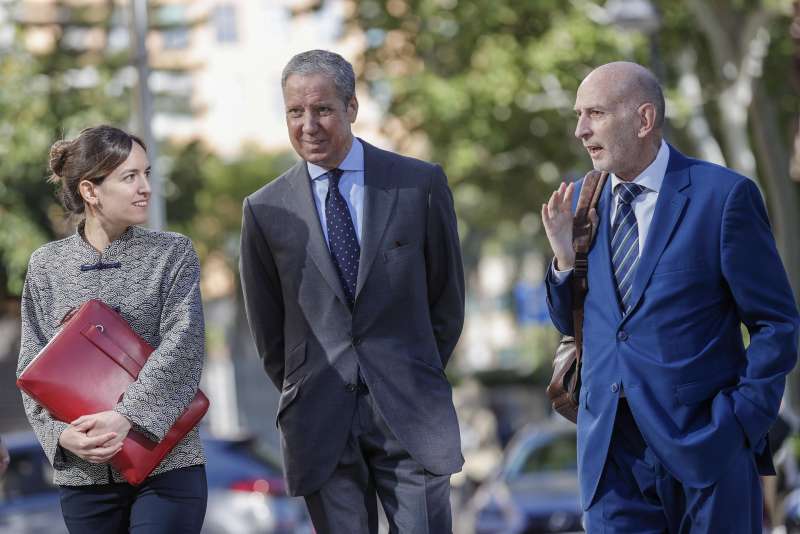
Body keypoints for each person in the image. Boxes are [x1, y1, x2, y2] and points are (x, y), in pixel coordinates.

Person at [542, 61, 800, 531]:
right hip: (610, 461)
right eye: (579, 115)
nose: (581, 130)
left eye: (595, 114)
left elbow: (776, 323)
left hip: (708, 450)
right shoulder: (579, 200)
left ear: (644, 120)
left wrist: (742, 419)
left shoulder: (723, 197)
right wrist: (562, 259)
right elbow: (571, 322)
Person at [240, 49, 465, 533]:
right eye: (294, 113)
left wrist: (413, 368)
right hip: (320, 422)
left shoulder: (418, 185)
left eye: (321, 109)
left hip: (412, 414)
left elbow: (447, 301)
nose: (308, 125)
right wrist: (305, 386)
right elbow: (268, 330)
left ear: (352, 108)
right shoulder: (265, 210)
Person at [16, 125, 207, 533]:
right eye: (130, 177)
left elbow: (183, 349)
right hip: (84, 478)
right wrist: (61, 436)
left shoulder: (172, 253)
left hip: (167, 463)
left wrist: (127, 417)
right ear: (90, 190)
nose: (146, 188)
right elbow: (31, 370)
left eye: (147, 174)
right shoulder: (46, 266)